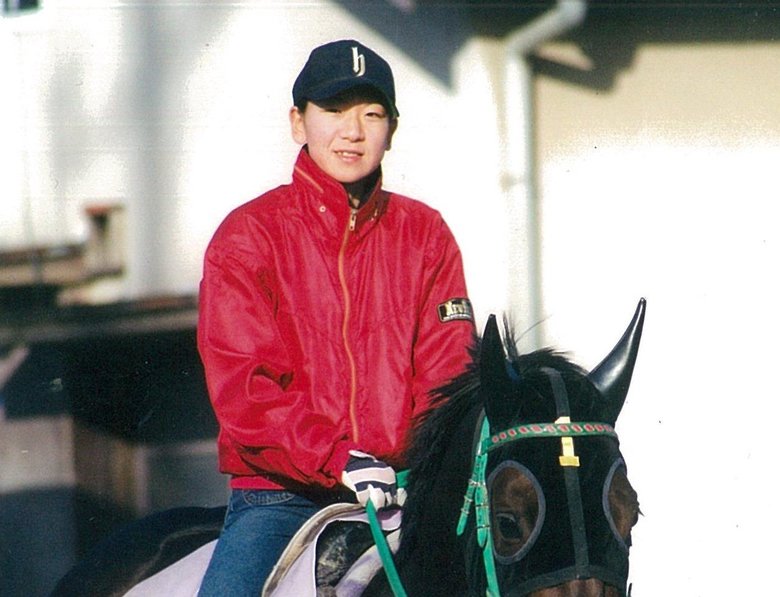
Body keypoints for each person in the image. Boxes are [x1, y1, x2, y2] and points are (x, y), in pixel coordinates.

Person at [196, 39, 475, 596]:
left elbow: (449, 377)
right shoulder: (248, 236)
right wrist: (337, 456)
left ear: (392, 129)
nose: (353, 131)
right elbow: (246, 392)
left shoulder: (426, 235)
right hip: (281, 497)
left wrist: (420, 466)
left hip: (405, 491)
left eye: (372, 114)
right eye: (334, 109)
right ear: (298, 122)